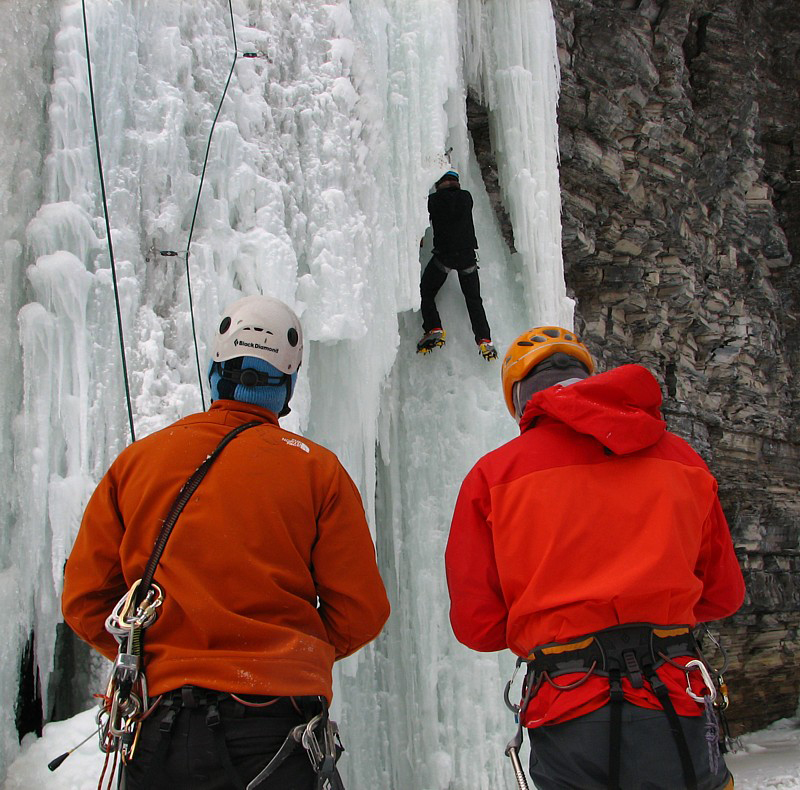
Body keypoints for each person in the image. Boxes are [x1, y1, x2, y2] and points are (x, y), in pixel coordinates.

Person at [62, 294, 390, 790]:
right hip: (277, 730)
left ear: (216, 372)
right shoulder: (316, 470)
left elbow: (86, 600)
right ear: (288, 387)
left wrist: (155, 655)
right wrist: (290, 654)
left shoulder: (138, 463)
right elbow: (361, 611)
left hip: (158, 730)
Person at [445, 325, 745, 790]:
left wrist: (552, 619)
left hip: (568, 704)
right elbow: (724, 594)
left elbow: (478, 625)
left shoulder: (493, 476)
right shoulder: (684, 460)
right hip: (676, 692)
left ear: (522, 397)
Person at [417, 170, 497, 360]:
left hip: (444, 257)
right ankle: (485, 340)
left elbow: (422, 218)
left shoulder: (433, 201)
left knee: (426, 292)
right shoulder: (466, 197)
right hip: (468, 257)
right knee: (474, 300)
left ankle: (433, 328)